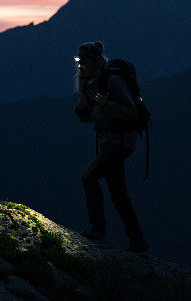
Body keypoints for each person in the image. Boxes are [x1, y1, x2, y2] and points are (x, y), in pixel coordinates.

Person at [74, 41, 148, 253]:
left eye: (82, 60)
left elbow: (131, 112)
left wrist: (107, 104)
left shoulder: (112, 81)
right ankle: (138, 242)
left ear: (94, 60)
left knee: (89, 177)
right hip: (109, 142)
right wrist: (82, 110)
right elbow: (94, 118)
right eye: (77, 60)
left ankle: (98, 229)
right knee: (118, 194)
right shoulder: (88, 83)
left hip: (121, 141)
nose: (79, 65)